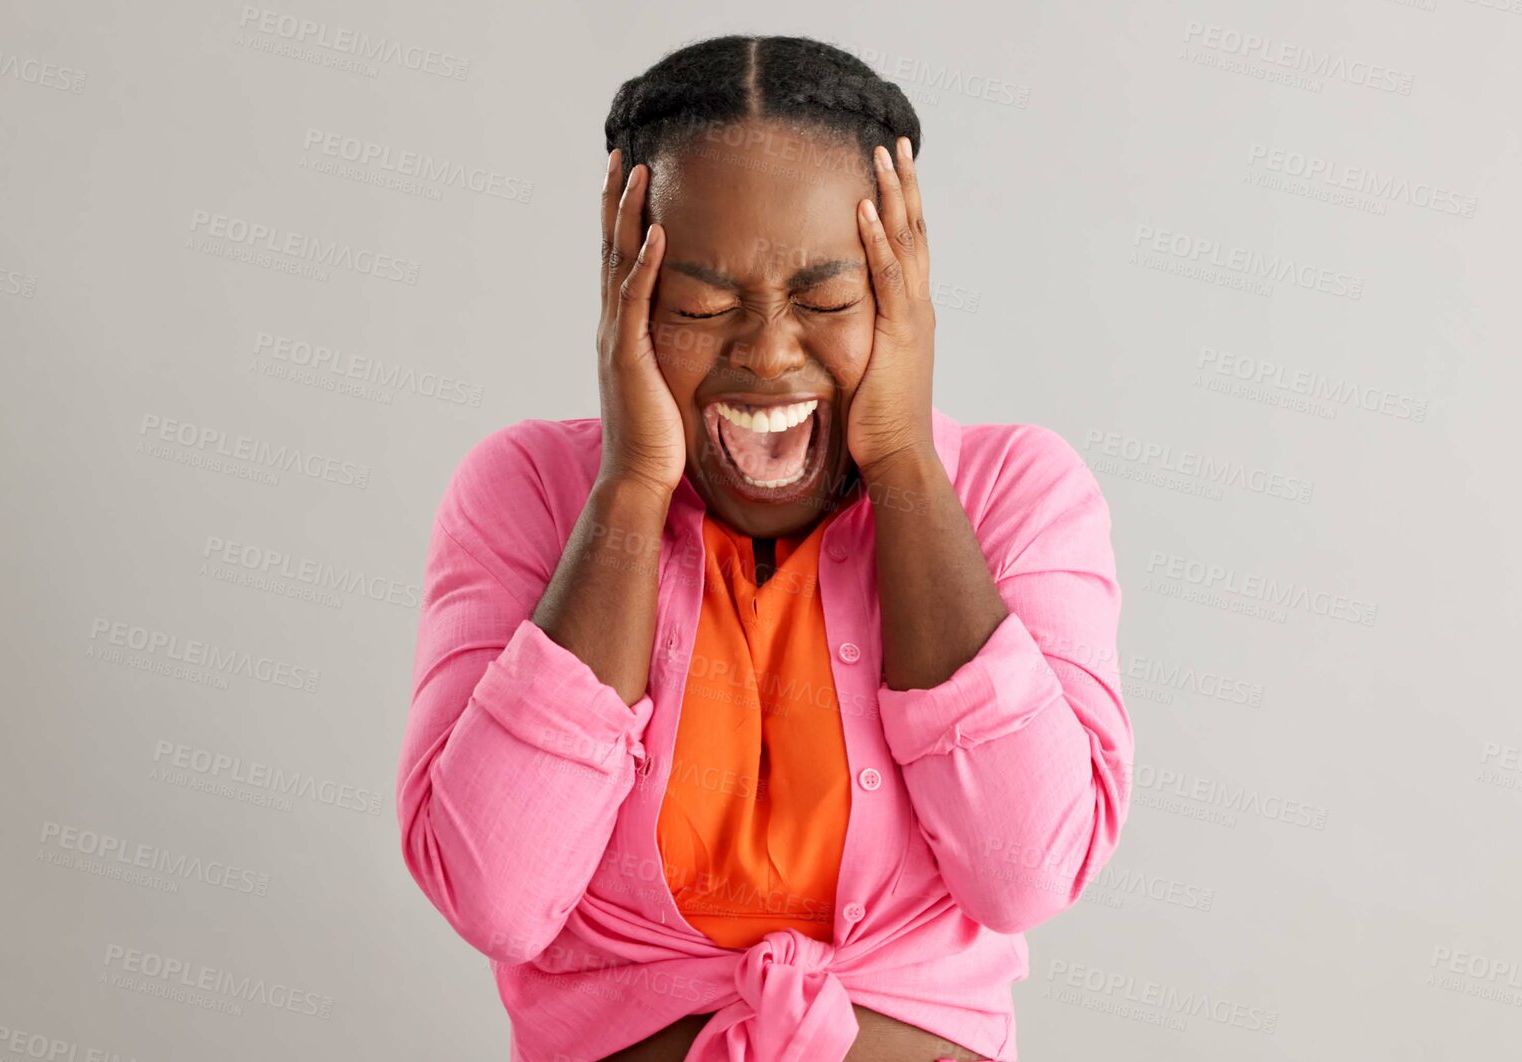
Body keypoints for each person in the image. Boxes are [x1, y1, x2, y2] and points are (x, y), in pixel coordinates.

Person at [395, 34, 1133, 1062]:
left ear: (903, 288)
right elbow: (495, 898)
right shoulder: (529, 493)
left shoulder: (1012, 492)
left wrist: (903, 462)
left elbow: (1026, 871)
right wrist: (631, 489)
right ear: (625, 293)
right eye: (699, 306)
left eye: (829, 300)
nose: (770, 351)